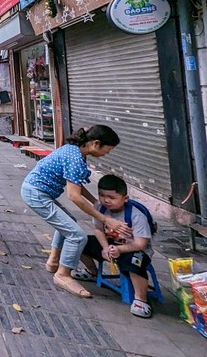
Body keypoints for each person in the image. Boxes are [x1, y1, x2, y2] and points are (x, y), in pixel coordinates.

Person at [21, 125, 131, 298]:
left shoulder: (75, 152)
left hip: (37, 191)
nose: (106, 154)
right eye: (107, 150)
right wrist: (105, 219)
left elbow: (76, 184)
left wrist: (95, 202)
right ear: (96, 144)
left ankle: (53, 262)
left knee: (69, 222)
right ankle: (63, 274)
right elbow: (74, 196)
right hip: (36, 194)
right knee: (77, 235)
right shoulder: (75, 158)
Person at [72, 175, 155, 318]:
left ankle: (141, 299)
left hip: (133, 248)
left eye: (111, 197)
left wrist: (120, 249)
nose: (106, 200)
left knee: (134, 262)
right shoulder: (99, 207)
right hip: (109, 244)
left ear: (125, 198)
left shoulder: (136, 215)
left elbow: (141, 243)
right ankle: (91, 272)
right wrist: (105, 247)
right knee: (78, 241)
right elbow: (98, 229)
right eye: (102, 195)